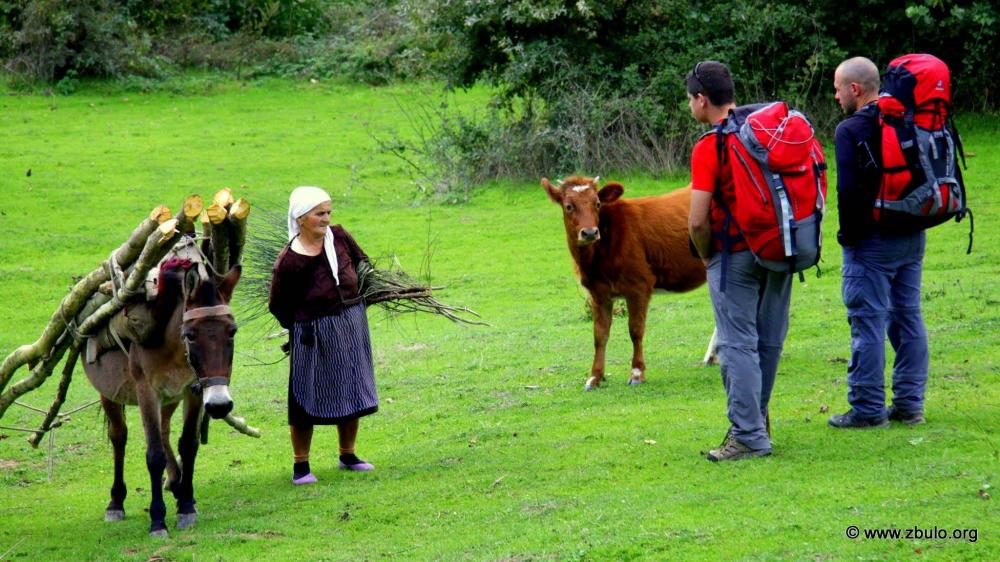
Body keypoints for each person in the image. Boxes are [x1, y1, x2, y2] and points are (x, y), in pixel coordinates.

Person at [686, 61, 792, 461]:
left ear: (701, 99)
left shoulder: (710, 146)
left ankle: (748, 436)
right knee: (768, 340)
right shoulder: (771, 131)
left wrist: (705, 252)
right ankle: (756, 420)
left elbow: (697, 219)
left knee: (736, 344)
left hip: (734, 255)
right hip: (782, 247)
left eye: (690, 100)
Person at [828, 57, 928, 429]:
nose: (836, 95)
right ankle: (910, 405)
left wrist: (848, 239)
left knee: (867, 323)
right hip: (912, 234)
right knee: (908, 316)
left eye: (838, 88)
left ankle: (867, 409)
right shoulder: (909, 119)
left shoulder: (850, 129)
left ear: (855, 89)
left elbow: (848, 191)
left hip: (871, 242)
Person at [269, 186, 379, 484]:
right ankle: (301, 466)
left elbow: (362, 263)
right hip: (312, 333)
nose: (326, 218)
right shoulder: (289, 260)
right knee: (307, 394)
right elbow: (278, 304)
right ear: (301, 218)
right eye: (320, 213)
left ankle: (348, 454)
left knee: (352, 386)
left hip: (351, 324)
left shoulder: (340, 236)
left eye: (328, 212)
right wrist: (302, 327)